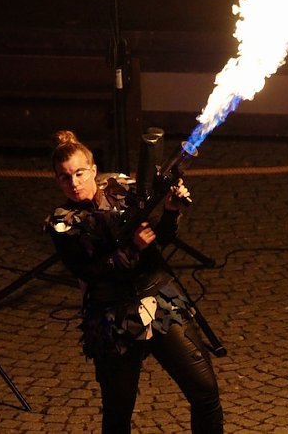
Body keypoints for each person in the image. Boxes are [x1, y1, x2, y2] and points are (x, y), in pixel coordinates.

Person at [46, 130, 223, 433]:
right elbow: (88, 271)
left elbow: (162, 240)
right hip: (112, 318)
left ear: (93, 170)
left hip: (160, 302)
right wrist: (131, 249)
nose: (74, 183)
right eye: (64, 177)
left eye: (79, 173)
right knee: (118, 413)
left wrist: (169, 211)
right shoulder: (63, 223)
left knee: (205, 392)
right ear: (57, 181)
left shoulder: (125, 191)